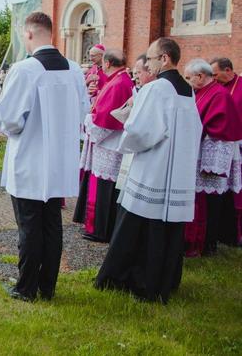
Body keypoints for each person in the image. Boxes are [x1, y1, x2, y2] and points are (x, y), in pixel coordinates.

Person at [95, 38, 202, 304]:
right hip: (176, 171)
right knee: (166, 229)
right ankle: (164, 281)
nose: (149, 64)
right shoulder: (187, 91)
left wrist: (129, 125)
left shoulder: (157, 89)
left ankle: (133, 280)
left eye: (152, 59)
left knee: (138, 226)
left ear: (164, 59)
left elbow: (142, 131)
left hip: (153, 168)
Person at [0, 12, 88, 302]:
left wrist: (10, 127)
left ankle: (26, 288)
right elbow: (84, 113)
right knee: (52, 225)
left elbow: (9, 119)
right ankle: (48, 286)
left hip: (30, 161)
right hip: (60, 162)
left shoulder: (25, 70)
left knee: (29, 226)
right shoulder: (74, 70)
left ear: (30, 34)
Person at [74, 49, 134, 243]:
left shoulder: (118, 83)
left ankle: (100, 230)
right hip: (108, 143)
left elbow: (106, 119)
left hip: (109, 144)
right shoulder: (119, 79)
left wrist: (89, 121)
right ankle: (96, 227)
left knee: (105, 188)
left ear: (107, 63)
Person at [183, 59, 242, 256]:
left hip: (211, 160)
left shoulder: (219, 95)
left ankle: (208, 243)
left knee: (211, 205)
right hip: (198, 155)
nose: (187, 81)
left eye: (188, 77)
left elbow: (219, 130)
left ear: (200, 77)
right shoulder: (203, 92)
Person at [210, 57, 242, 246]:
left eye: (216, 74)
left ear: (228, 70)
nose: (214, 79)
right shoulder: (218, 89)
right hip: (223, 147)